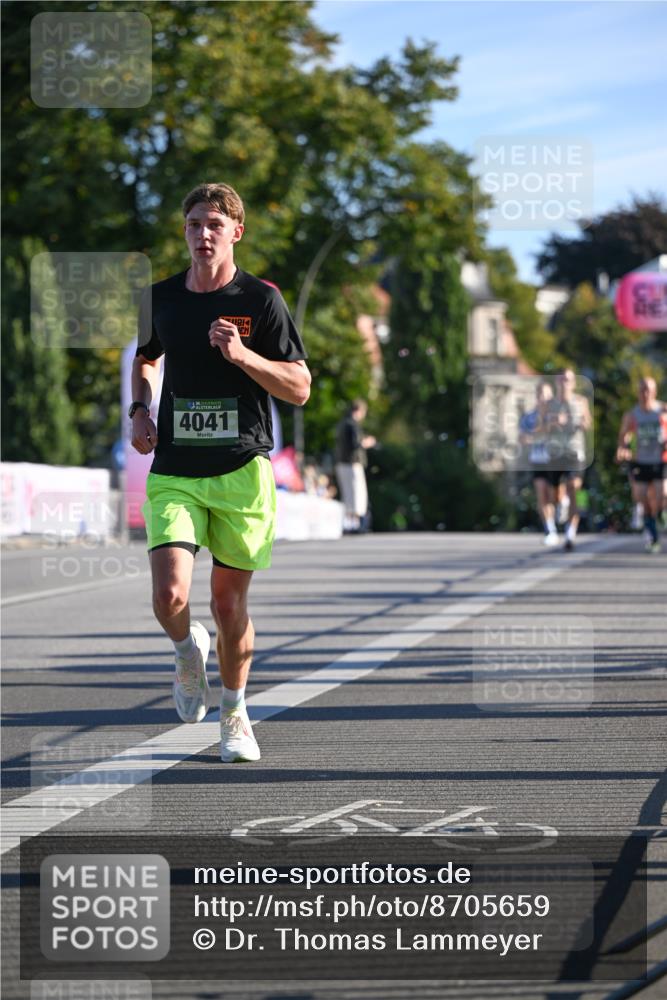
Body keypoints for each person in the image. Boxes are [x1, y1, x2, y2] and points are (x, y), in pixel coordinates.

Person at [130, 182, 310, 762]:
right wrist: (140, 409)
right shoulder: (158, 297)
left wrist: (243, 356)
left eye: (213, 224)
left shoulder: (261, 300)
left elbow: (301, 389)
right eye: (192, 224)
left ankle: (235, 713)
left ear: (236, 231)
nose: (202, 234)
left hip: (241, 469)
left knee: (230, 607)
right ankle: (187, 651)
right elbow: (147, 356)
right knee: (169, 593)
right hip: (177, 466)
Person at [616, 377, 666, 553]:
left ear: (655, 392)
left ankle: (660, 515)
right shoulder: (632, 414)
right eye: (642, 390)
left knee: (663, 494)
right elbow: (624, 435)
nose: (645, 394)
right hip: (640, 461)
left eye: (648, 390)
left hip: (661, 461)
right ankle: (653, 536)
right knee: (642, 497)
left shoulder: (663, 410)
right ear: (638, 393)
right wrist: (622, 448)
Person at [545, 368, 593, 552]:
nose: (565, 382)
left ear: (573, 383)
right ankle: (562, 502)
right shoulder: (549, 404)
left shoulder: (581, 401)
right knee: (555, 496)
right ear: (557, 382)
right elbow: (540, 428)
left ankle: (570, 533)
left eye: (568, 380)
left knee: (574, 488)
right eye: (562, 379)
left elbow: (588, 423)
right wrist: (555, 422)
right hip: (555, 453)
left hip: (575, 452)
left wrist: (581, 422)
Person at [520, 380, 559, 546]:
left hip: (556, 461)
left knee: (555, 496)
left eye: (547, 395)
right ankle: (550, 529)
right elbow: (521, 437)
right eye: (541, 395)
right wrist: (527, 439)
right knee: (541, 495)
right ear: (536, 397)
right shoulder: (529, 417)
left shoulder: (557, 416)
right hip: (538, 460)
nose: (544, 399)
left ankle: (561, 507)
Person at [335, 399, 376, 533]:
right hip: (352, 463)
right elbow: (355, 444)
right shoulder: (352, 425)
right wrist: (368, 442)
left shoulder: (342, 424)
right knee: (356, 493)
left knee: (347, 493)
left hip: (341, 462)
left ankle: (348, 523)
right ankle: (355, 524)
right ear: (359, 410)